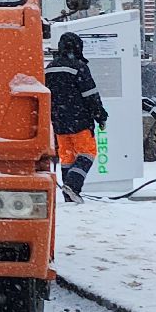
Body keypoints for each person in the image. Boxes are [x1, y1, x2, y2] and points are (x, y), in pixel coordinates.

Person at [46, 32, 108, 202]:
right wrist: (100, 116)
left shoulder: (49, 68)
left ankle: (69, 195)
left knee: (67, 157)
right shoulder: (78, 67)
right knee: (88, 152)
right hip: (79, 120)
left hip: (58, 122)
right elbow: (90, 95)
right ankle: (72, 186)